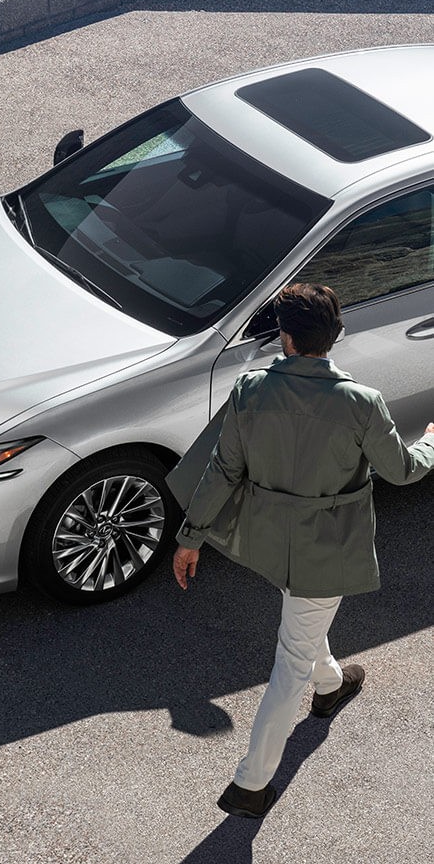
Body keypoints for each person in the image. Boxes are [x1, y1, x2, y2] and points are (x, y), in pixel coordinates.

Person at [169, 282, 434, 819]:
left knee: (303, 624)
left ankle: (333, 684)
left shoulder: (249, 390)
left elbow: (224, 471)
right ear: (332, 337)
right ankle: (250, 784)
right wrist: (431, 439)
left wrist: (189, 537)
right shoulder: (361, 403)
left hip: (269, 543)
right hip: (326, 550)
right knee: (290, 660)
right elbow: (401, 471)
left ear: (285, 339)